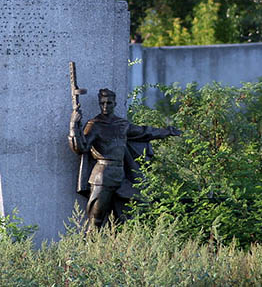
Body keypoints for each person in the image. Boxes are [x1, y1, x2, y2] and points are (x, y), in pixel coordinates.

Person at [68, 88, 180, 229]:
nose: (105, 106)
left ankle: (119, 247)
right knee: (96, 220)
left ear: (114, 104)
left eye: (109, 103)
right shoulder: (94, 125)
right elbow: (81, 148)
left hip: (121, 176)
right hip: (102, 176)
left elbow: (144, 132)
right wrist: (73, 126)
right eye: (102, 103)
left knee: (125, 218)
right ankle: (90, 247)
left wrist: (167, 131)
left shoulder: (122, 125)